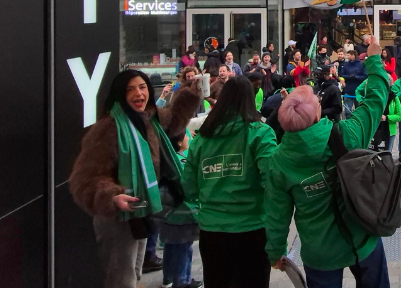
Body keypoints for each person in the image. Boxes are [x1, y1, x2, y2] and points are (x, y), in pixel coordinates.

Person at [264, 40, 392, 288]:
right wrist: (375, 61)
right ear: (315, 115)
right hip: (361, 236)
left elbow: (276, 215)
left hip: (319, 251)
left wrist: (275, 252)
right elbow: (375, 102)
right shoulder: (346, 135)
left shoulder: (278, 161)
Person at [69, 70, 200, 288]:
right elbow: (85, 178)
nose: (138, 94)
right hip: (117, 218)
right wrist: (112, 197)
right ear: (120, 94)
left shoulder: (149, 117)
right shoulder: (108, 128)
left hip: (141, 210)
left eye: (142, 87)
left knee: (135, 273)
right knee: (121, 278)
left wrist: (191, 94)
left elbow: (175, 121)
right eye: (130, 89)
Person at [182, 75, 278, 288]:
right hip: (252, 229)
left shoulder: (202, 139)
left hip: (212, 232)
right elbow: (272, 181)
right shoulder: (260, 134)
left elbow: (188, 187)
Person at [159, 131, 202, 288]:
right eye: (186, 136)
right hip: (182, 214)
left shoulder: (167, 159)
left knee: (170, 246)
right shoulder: (181, 162)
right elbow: (189, 185)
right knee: (184, 248)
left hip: (168, 214)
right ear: (178, 143)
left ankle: (168, 278)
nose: (188, 138)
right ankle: (183, 281)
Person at [340, 50, 367, 119]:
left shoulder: (361, 65)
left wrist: (356, 77)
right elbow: (341, 75)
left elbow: (365, 76)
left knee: (359, 110)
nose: (347, 57)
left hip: (358, 91)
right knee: (347, 111)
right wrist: (348, 77)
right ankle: (349, 123)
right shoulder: (346, 65)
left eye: (348, 55)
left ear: (353, 55)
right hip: (348, 90)